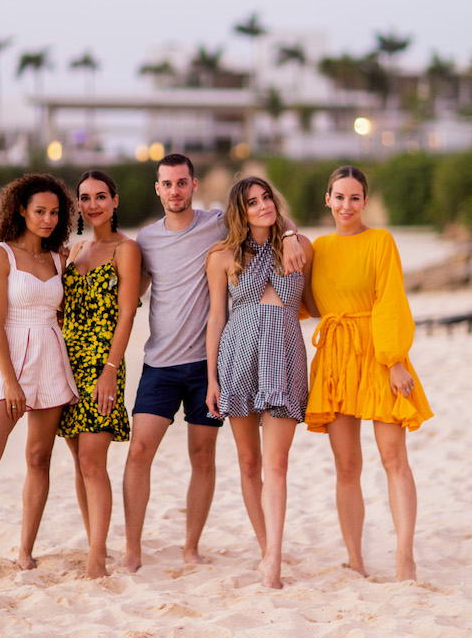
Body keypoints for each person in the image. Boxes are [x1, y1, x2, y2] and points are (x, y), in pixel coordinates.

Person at [122, 153, 306, 572]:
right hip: (170, 362)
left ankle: (197, 548)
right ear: (157, 188)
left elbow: (268, 217)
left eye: (182, 182)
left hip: (231, 362)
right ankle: (132, 550)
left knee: (206, 458)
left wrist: (292, 232)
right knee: (140, 450)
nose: (174, 190)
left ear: (194, 184)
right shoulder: (146, 240)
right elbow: (133, 290)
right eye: (167, 184)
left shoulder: (217, 223)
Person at [304, 165, 433, 582]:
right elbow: (303, 302)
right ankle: (355, 558)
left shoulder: (381, 241)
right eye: (339, 197)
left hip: (378, 354)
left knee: (394, 458)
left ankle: (404, 556)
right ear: (328, 199)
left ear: (365, 200)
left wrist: (395, 361)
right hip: (336, 359)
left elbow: (391, 299)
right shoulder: (317, 248)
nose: (346, 205)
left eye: (354, 197)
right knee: (346, 465)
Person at [0, 174, 78, 573]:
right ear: (21, 210)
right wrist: (10, 381)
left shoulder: (59, 259)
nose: (48, 219)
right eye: (40, 211)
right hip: (9, 359)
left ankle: (25, 551)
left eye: (54, 212)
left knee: (38, 457)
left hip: (50, 356)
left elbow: (69, 311)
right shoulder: (2, 255)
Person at [205, 177, 313, 589]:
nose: (264, 205)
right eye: (253, 202)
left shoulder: (298, 243)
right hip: (240, 353)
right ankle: (267, 548)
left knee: (278, 463)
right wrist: (211, 378)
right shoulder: (221, 256)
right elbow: (217, 318)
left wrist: (288, 235)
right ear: (240, 210)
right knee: (249, 464)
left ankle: (275, 558)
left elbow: (316, 299)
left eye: (267, 197)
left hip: (285, 353)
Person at [56, 170, 141, 579]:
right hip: (67, 364)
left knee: (93, 460)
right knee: (78, 460)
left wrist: (110, 371)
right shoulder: (73, 251)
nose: (93, 204)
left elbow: (127, 314)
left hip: (102, 362)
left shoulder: (126, 249)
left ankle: (97, 555)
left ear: (115, 201)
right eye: (86, 198)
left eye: (101, 196)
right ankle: (96, 543)